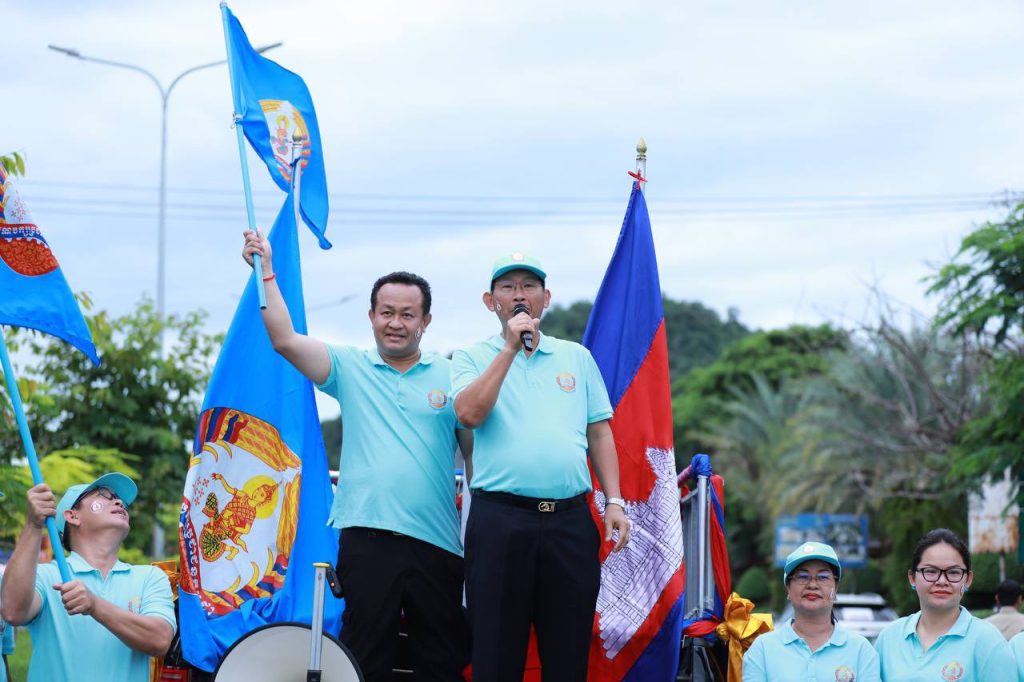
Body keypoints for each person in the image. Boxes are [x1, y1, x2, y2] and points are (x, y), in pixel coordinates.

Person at [242, 230, 470, 682]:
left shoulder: (456, 375)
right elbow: (285, 340)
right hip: (368, 538)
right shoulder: (350, 367)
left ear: (426, 321)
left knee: (441, 659)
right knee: (365, 654)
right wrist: (265, 270)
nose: (396, 323)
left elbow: (478, 464)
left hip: (440, 543)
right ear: (371, 315)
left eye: (408, 314)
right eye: (387, 312)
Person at [451, 252, 630, 681]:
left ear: (546, 298)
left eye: (529, 286)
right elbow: (469, 414)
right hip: (500, 520)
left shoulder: (576, 358)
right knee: (496, 652)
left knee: (568, 652)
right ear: (489, 300)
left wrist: (615, 501)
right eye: (508, 287)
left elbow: (600, 433)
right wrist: (510, 349)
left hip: (569, 521)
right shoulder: (471, 356)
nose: (519, 295)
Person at [0, 473, 176, 682]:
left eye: (120, 500)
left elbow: (160, 640)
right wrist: (32, 525)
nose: (119, 502)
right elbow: (12, 612)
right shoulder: (45, 575)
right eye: (103, 495)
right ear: (72, 516)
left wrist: (94, 605)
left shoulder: (150, 577)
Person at [874, 528, 1013, 681]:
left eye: (953, 572)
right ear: (912, 578)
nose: (941, 581)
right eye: (931, 571)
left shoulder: (988, 642)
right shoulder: (889, 639)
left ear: (968, 579)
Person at [742, 541, 880, 681]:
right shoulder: (763, 649)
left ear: (836, 587)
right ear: (788, 588)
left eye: (823, 577)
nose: (813, 585)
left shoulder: (861, 650)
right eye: (803, 576)